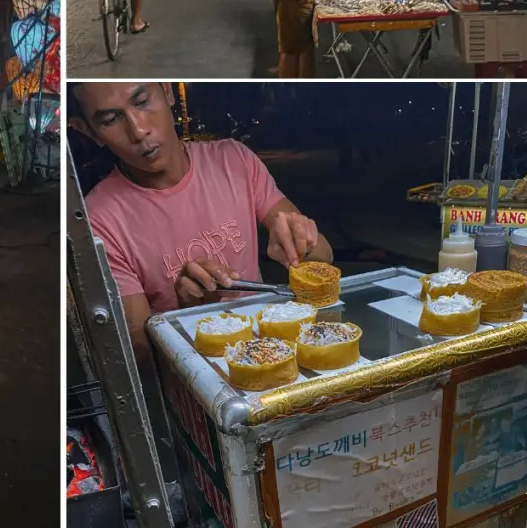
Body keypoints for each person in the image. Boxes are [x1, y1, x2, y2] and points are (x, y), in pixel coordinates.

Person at [67, 81, 334, 361]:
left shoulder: (234, 160)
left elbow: (323, 256)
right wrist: (188, 308)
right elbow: (141, 356)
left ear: (168, 91)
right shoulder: (100, 222)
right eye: (111, 119)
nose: (138, 130)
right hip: (195, 378)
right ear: (87, 130)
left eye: (143, 101)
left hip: (273, 352)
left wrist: (300, 245)